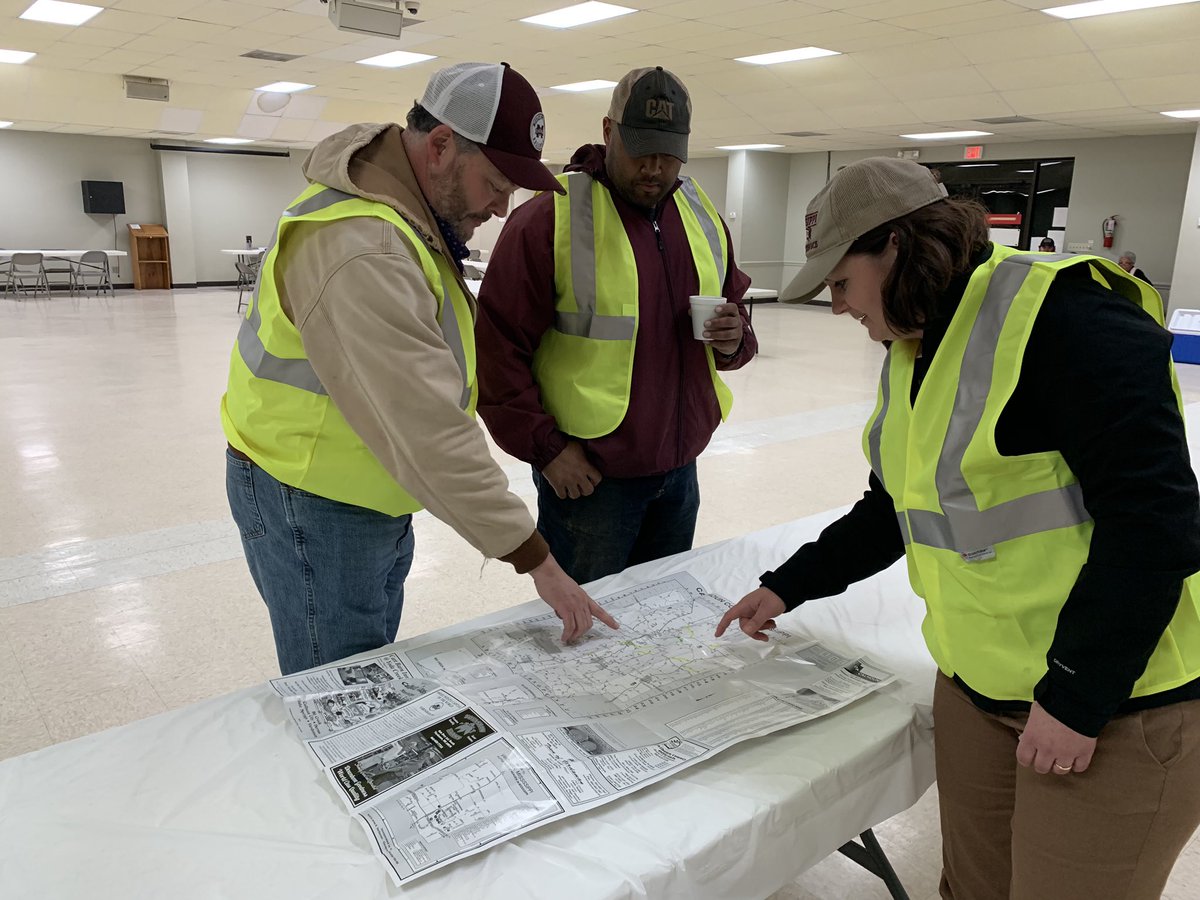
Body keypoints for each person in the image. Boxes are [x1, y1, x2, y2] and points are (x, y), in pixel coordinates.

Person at [716, 157, 1200, 899]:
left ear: (898, 247)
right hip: (979, 688)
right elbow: (898, 507)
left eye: (842, 282)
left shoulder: (1069, 320)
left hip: (1116, 702)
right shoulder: (914, 343)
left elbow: (1155, 525)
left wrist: (1076, 696)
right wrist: (789, 586)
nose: (838, 307)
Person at [221, 62, 618, 675]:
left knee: (367, 667)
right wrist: (536, 558)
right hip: (314, 498)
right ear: (440, 147)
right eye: (495, 182)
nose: (500, 205)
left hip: (364, 485)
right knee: (345, 692)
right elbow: (427, 428)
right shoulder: (362, 247)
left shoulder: (407, 220)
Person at [475, 66, 757, 584]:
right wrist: (548, 451)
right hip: (590, 480)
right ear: (608, 133)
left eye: (669, 154)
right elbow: (495, 350)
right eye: (640, 150)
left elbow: (734, 315)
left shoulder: (699, 212)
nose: (654, 167)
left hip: (679, 471)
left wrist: (735, 339)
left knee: (658, 617)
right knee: (586, 631)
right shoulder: (551, 215)